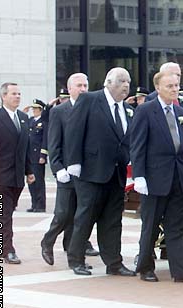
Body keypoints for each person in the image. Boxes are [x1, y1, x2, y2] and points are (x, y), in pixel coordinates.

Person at [130, 71, 183, 284]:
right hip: (154, 179)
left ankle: (180, 270)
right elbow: (137, 146)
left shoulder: (182, 112)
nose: (175, 89)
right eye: (170, 86)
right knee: (151, 226)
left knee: (176, 226)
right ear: (158, 88)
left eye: (176, 85)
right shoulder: (146, 111)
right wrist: (139, 176)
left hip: (177, 179)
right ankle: (145, 267)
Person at [65, 67, 135, 276]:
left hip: (117, 172)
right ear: (107, 82)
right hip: (91, 171)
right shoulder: (89, 100)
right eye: (121, 81)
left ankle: (114, 262)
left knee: (113, 219)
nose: (126, 85)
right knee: (86, 216)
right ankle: (76, 259)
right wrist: (74, 161)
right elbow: (74, 130)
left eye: (128, 82)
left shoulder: (126, 108)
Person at [41, 73, 99, 266]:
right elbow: (54, 143)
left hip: (86, 173)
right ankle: (47, 242)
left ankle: (73, 251)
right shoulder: (59, 111)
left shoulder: (93, 109)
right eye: (79, 85)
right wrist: (58, 169)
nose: (83, 89)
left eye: (85, 85)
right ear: (70, 88)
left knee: (80, 216)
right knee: (63, 214)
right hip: (66, 172)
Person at [0, 82, 35, 264]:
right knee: (4, 214)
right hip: (0, 177)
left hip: (17, 177)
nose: (17, 96)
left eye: (19, 93)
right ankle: (7, 250)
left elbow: (25, 148)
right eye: (13, 94)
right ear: (4, 96)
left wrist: (29, 171)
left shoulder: (23, 118)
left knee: (6, 213)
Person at [26, 99, 48, 213]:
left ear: (40, 110)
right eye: (33, 108)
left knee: (39, 181)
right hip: (29, 156)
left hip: (37, 156)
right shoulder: (30, 121)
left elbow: (45, 140)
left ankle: (40, 205)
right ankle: (34, 203)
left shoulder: (44, 123)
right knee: (31, 182)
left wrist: (43, 155)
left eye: (35, 109)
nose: (33, 110)